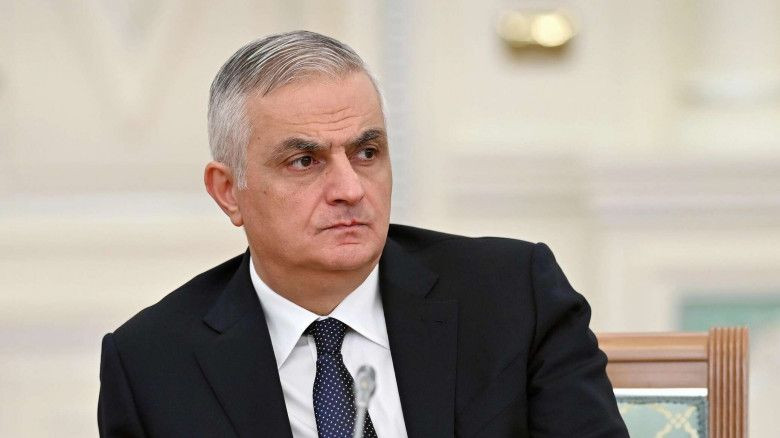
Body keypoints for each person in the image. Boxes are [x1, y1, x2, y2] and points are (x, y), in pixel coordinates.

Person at [98, 30, 628, 438]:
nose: (350, 189)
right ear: (228, 192)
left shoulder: (512, 295)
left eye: (367, 152)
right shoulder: (152, 363)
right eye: (304, 161)